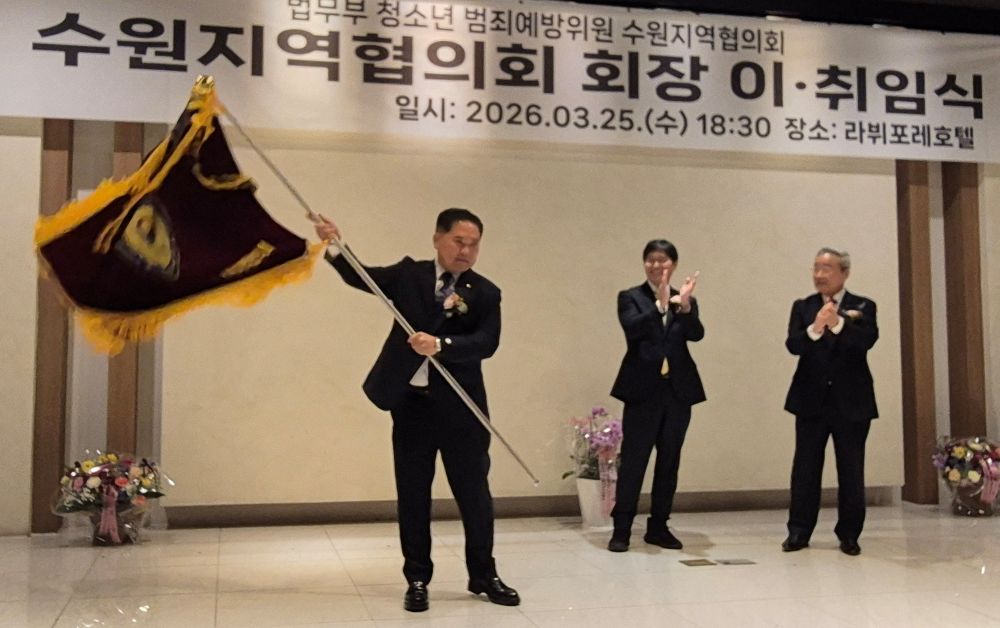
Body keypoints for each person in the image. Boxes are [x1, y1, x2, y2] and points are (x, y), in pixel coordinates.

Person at [314, 208, 519, 611]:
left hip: (461, 408)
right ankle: (418, 578)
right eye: (458, 241)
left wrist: (442, 346)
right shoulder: (410, 275)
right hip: (412, 407)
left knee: (474, 494)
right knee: (413, 493)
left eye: (474, 244)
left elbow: (487, 342)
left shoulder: (485, 292)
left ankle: (483, 574)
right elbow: (363, 277)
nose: (466, 250)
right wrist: (334, 245)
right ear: (438, 238)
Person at [607, 239, 705, 553]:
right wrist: (661, 306)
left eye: (663, 260)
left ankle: (659, 526)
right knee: (634, 461)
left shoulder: (684, 298)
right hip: (642, 391)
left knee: (669, 461)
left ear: (673, 265)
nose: (656, 265)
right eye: (650, 259)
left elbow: (696, 334)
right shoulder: (631, 297)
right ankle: (622, 528)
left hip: (677, 391)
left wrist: (684, 307)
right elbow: (632, 328)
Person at [782, 247, 879, 557]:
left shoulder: (863, 306)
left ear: (844, 273)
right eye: (816, 268)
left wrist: (838, 323)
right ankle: (798, 531)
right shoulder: (803, 306)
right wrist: (815, 328)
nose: (819, 275)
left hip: (852, 402)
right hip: (810, 399)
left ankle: (849, 534)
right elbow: (793, 345)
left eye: (826, 269)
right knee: (805, 468)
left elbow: (865, 341)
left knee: (851, 469)